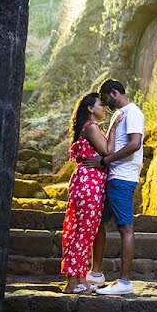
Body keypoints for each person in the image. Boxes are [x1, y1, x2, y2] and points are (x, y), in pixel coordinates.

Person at [81, 79, 145, 295]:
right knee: (98, 222)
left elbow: (135, 144)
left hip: (122, 179)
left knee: (125, 227)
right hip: (112, 177)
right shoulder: (119, 114)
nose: (105, 105)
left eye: (106, 98)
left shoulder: (132, 112)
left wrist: (105, 161)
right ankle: (96, 273)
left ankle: (125, 282)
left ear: (114, 93)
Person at [60, 92, 122, 294]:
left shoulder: (89, 127)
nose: (104, 108)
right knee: (83, 232)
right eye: (101, 105)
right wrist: (113, 128)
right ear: (90, 108)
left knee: (83, 231)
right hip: (88, 184)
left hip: (88, 183)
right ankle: (72, 281)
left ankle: (77, 279)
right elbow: (108, 151)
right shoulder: (92, 127)